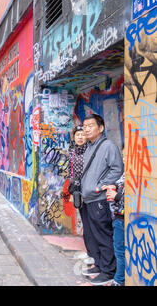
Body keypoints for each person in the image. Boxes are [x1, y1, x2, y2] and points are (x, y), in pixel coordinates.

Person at [80, 114, 124, 286]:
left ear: (101, 128)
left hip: (99, 199)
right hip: (88, 199)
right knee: (92, 236)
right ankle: (99, 264)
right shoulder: (89, 147)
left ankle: (108, 271)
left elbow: (117, 169)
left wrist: (100, 185)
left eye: (90, 125)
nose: (86, 128)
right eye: (84, 126)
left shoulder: (108, 146)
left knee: (103, 236)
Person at [63, 125, 93, 265]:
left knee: (93, 224)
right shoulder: (72, 152)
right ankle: (90, 253)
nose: (80, 137)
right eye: (77, 135)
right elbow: (71, 173)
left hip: (91, 192)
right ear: (74, 137)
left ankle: (95, 254)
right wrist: (71, 191)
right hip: (78, 193)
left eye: (82, 134)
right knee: (85, 223)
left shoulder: (91, 151)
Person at [102, 173, 125, 286]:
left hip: (123, 218)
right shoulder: (125, 174)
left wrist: (117, 196)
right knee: (119, 251)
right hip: (118, 217)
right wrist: (112, 187)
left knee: (120, 252)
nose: (124, 158)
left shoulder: (137, 174)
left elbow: (134, 198)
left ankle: (119, 280)